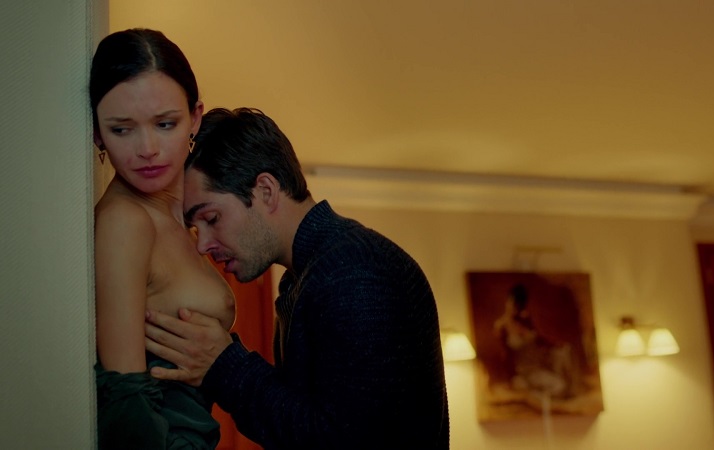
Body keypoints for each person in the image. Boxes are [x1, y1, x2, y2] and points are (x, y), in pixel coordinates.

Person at [144, 107, 450, 449]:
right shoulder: (313, 274)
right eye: (194, 228)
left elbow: (344, 442)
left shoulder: (355, 271)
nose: (202, 245)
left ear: (266, 190)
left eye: (212, 218)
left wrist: (225, 365)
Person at [91, 28, 235, 449]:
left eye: (165, 124)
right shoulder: (124, 221)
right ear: (97, 133)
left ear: (195, 117)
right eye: (122, 130)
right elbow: (126, 399)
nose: (148, 148)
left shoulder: (185, 214)